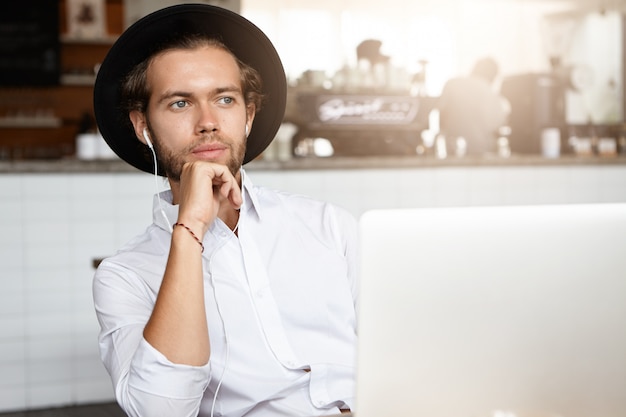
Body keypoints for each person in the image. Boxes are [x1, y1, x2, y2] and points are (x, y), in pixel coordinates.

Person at [91, 5, 358, 417]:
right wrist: (191, 227)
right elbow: (161, 410)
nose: (208, 122)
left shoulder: (329, 226)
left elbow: (401, 349)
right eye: (180, 103)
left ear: (248, 115)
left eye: (225, 99)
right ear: (142, 126)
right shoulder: (124, 276)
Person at [437, 57, 508, 156]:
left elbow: (441, 115)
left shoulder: (452, 83)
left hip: (452, 150)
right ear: (493, 76)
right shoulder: (490, 92)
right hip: (481, 152)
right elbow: (496, 126)